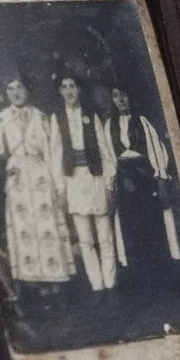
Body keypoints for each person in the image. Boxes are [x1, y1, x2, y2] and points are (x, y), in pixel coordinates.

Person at [0, 76, 76, 285]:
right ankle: (33, 284)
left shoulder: (40, 117)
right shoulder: (3, 118)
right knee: (24, 229)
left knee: (46, 226)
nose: (16, 93)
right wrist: (5, 171)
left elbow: (53, 154)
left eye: (20, 88)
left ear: (27, 91)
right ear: (6, 93)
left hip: (41, 176)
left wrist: (59, 188)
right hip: (18, 180)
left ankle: (56, 283)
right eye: (10, 88)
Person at [47, 74, 118, 291]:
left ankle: (111, 284)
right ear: (60, 91)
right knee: (85, 239)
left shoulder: (90, 115)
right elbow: (55, 155)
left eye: (73, 86)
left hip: (95, 178)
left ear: (79, 90)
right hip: (73, 182)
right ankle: (97, 286)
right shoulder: (57, 118)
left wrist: (108, 183)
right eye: (64, 87)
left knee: (104, 236)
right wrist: (61, 189)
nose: (69, 91)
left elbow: (105, 150)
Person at [106, 83, 180, 273]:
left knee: (151, 225)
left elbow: (156, 150)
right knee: (130, 228)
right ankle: (139, 275)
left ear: (130, 97)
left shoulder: (142, 121)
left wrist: (161, 177)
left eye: (124, 95)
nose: (121, 100)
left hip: (144, 180)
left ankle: (159, 272)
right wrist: (111, 184)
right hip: (124, 182)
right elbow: (108, 156)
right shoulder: (109, 125)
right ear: (112, 100)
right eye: (116, 96)